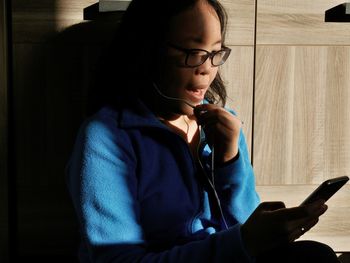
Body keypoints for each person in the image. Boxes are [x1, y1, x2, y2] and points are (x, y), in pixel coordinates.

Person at [66, 0, 340, 262]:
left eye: (215, 54)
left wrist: (229, 161)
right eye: (193, 53)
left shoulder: (221, 125)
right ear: (147, 52)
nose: (207, 70)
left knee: (315, 254)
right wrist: (244, 242)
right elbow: (118, 258)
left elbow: (242, 226)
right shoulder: (108, 137)